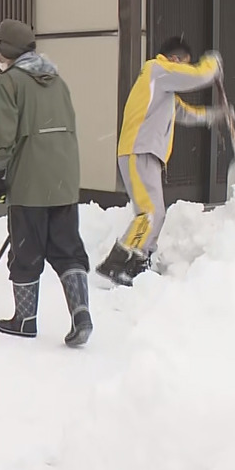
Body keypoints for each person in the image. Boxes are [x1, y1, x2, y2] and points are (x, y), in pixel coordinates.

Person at [0, 19, 93, 348]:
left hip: (30, 179)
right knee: (67, 247)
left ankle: (25, 319)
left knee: (26, 249)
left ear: (8, 51)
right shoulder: (57, 80)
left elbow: (2, 132)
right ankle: (81, 314)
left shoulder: (9, 82)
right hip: (65, 178)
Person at [95, 36, 224, 287]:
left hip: (146, 153)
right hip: (138, 150)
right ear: (175, 60)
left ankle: (139, 261)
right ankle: (117, 261)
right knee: (149, 212)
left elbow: (185, 112)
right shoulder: (157, 69)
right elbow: (197, 76)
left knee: (157, 213)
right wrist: (212, 66)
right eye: (184, 65)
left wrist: (214, 116)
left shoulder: (162, 89)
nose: (184, 70)